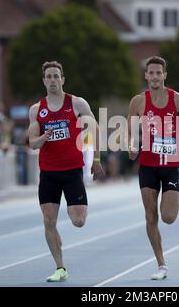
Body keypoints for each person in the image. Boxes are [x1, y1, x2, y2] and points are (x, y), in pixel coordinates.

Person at [28, 61, 104, 282]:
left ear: (62, 80)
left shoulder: (77, 103)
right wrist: (44, 137)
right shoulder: (36, 109)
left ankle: (75, 215)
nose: (52, 80)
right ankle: (60, 267)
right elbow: (32, 143)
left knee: (78, 221)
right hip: (49, 173)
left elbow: (95, 128)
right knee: (48, 220)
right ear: (44, 81)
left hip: (72, 171)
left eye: (56, 76)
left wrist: (96, 158)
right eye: (48, 76)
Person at [127, 56, 179, 280]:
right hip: (148, 166)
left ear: (164, 75)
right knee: (151, 216)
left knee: (168, 217)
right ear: (146, 76)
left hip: (171, 166)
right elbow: (130, 131)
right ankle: (161, 264)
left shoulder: (177, 100)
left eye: (159, 73)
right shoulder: (138, 102)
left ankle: (171, 201)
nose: (155, 76)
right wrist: (131, 146)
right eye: (151, 73)